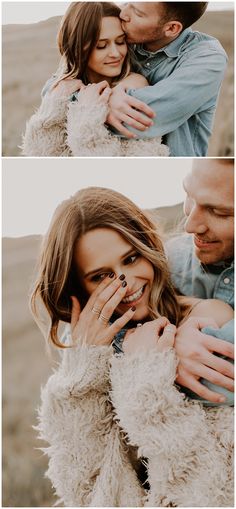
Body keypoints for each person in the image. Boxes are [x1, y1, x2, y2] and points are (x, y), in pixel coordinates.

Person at [33, 187, 233, 507]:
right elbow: (86, 486)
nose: (125, 283)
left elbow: (202, 478)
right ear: (77, 288)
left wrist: (158, 363)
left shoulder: (203, 316)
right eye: (101, 276)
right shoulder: (85, 367)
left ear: (147, 247)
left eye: (130, 257)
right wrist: (83, 375)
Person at [22, 2, 168, 157]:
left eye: (120, 41)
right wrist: (53, 107)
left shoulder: (133, 85)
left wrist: (88, 113)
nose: (115, 53)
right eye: (101, 45)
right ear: (78, 49)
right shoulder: (61, 91)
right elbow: (41, 154)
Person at [107, 2, 228, 156]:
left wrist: (96, 102)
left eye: (137, 13)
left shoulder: (208, 58)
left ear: (171, 28)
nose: (123, 13)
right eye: (127, 2)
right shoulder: (118, 40)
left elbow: (139, 121)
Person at [166, 158, 234, 403]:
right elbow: (78, 341)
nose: (190, 225)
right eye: (189, 195)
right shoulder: (169, 258)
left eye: (219, 212)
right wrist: (168, 343)